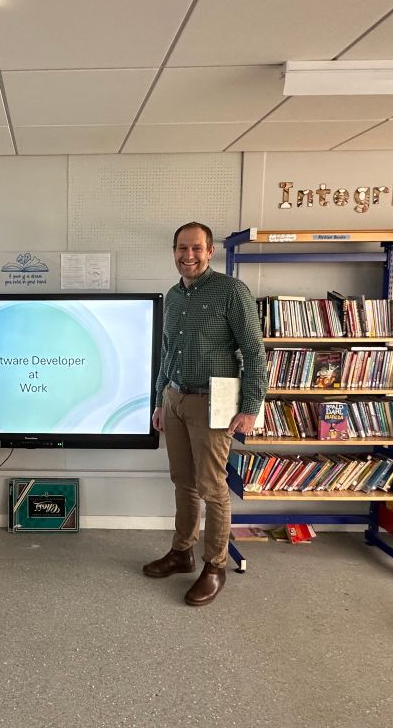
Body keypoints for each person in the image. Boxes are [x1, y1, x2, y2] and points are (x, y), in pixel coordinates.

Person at [144, 222, 266, 606]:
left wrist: (250, 408)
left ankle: (214, 566)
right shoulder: (174, 296)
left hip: (215, 403)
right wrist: (160, 401)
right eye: (182, 248)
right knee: (183, 481)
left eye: (196, 248)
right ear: (174, 251)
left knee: (213, 487)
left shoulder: (232, 292)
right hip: (176, 399)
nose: (188, 255)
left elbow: (254, 351)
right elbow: (166, 351)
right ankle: (182, 552)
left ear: (210, 251)